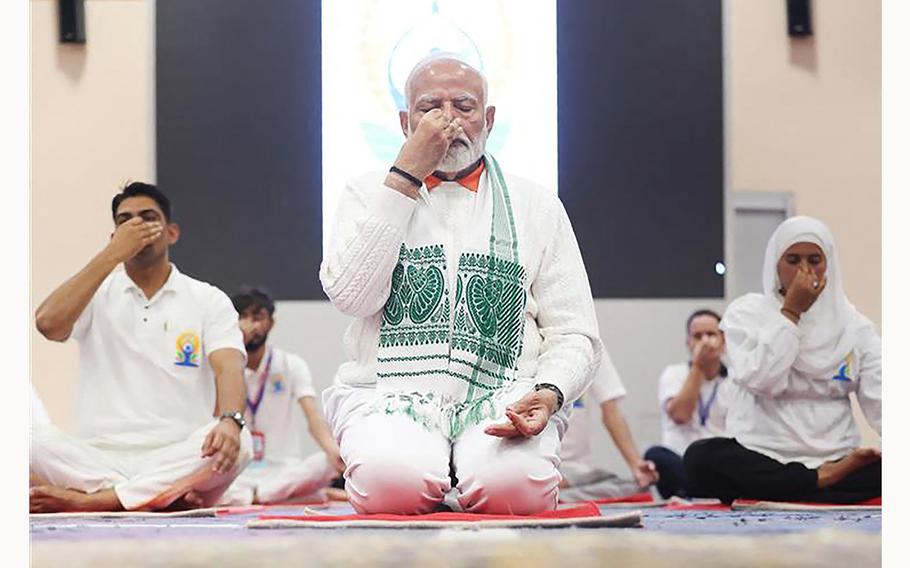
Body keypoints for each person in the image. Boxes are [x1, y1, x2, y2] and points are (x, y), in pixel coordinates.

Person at [319, 54, 602, 515]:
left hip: (505, 393)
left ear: (488, 120)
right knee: (392, 488)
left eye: (464, 106)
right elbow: (352, 296)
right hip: (390, 394)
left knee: (517, 493)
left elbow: (576, 332)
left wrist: (549, 392)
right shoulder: (366, 190)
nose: (448, 120)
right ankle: (436, 477)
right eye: (431, 107)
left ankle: (464, 478)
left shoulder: (538, 204)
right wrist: (404, 178)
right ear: (405, 121)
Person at [30, 182, 252, 513]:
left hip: (178, 450)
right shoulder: (94, 293)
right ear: (114, 236)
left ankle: (99, 500)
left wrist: (231, 421)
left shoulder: (207, 298)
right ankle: (158, 496)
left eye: (148, 218)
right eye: (125, 221)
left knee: (241, 440)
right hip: (97, 455)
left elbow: (229, 367)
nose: (137, 227)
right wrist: (112, 256)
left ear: (172, 233)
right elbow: (48, 324)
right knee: (24, 439)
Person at [684, 216, 881, 504]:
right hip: (763, 455)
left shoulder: (855, 327)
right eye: (793, 260)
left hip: (838, 456)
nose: (804, 270)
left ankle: (802, 485)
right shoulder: (746, 314)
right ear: (776, 264)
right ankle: (820, 482)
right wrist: (791, 313)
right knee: (700, 459)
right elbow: (762, 379)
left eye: (815, 260)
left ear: (829, 265)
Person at [218, 288, 345, 505]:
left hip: (285, 469)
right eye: (243, 317)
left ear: (270, 323)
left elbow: (312, 416)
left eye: (257, 318)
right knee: (206, 478)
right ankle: (297, 496)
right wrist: (234, 355)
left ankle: (258, 497)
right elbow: (214, 416)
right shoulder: (224, 367)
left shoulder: (291, 364)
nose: (251, 325)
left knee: (325, 463)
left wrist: (332, 449)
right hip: (239, 472)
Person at [643, 309, 729, 499]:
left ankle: (702, 491)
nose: (705, 341)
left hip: (717, 465)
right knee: (655, 455)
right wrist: (698, 365)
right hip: (680, 461)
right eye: (698, 336)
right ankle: (711, 493)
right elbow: (681, 415)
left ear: (724, 341)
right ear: (688, 342)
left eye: (711, 334)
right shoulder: (673, 374)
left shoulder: (735, 381)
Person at [558, 353, 658, 502]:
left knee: (636, 488)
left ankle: (554, 497)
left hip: (580, 474)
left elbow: (611, 409)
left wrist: (636, 465)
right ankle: (548, 494)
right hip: (536, 469)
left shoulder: (591, 342)